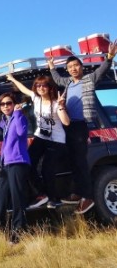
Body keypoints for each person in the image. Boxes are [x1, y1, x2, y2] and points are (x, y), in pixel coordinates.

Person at [48, 40, 116, 214]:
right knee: (74, 162)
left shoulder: (88, 79)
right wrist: (51, 68)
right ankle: (79, 193)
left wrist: (109, 57)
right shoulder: (69, 83)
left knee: (81, 162)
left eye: (76, 66)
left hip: (81, 125)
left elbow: (102, 70)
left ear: (81, 66)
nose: (73, 69)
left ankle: (87, 197)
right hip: (69, 126)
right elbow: (56, 79)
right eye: (70, 67)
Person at [6, 74, 70, 209]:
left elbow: (66, 122)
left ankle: (53, 199)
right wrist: (12, 80)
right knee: (28, 164)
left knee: (47, 169)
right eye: (38, 85)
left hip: (56, 140)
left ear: (50, 87)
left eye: (44, 85)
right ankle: (41, 194)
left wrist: (61, 106)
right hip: (41, 136)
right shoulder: (36, 98)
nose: (41, 88)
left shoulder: (55, 103)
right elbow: (24, 89)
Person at [0, 92, 30, 244]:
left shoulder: (19, 117)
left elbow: (21, 132)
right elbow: (0, 128)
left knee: (17, 200)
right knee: (0, 198)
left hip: (18, 162)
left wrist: (17, 112)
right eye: (2, 104)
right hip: (6, 164)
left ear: (14, 104)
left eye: (9, 103)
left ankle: (18, 233)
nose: (5, 106)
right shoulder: (5, 120)